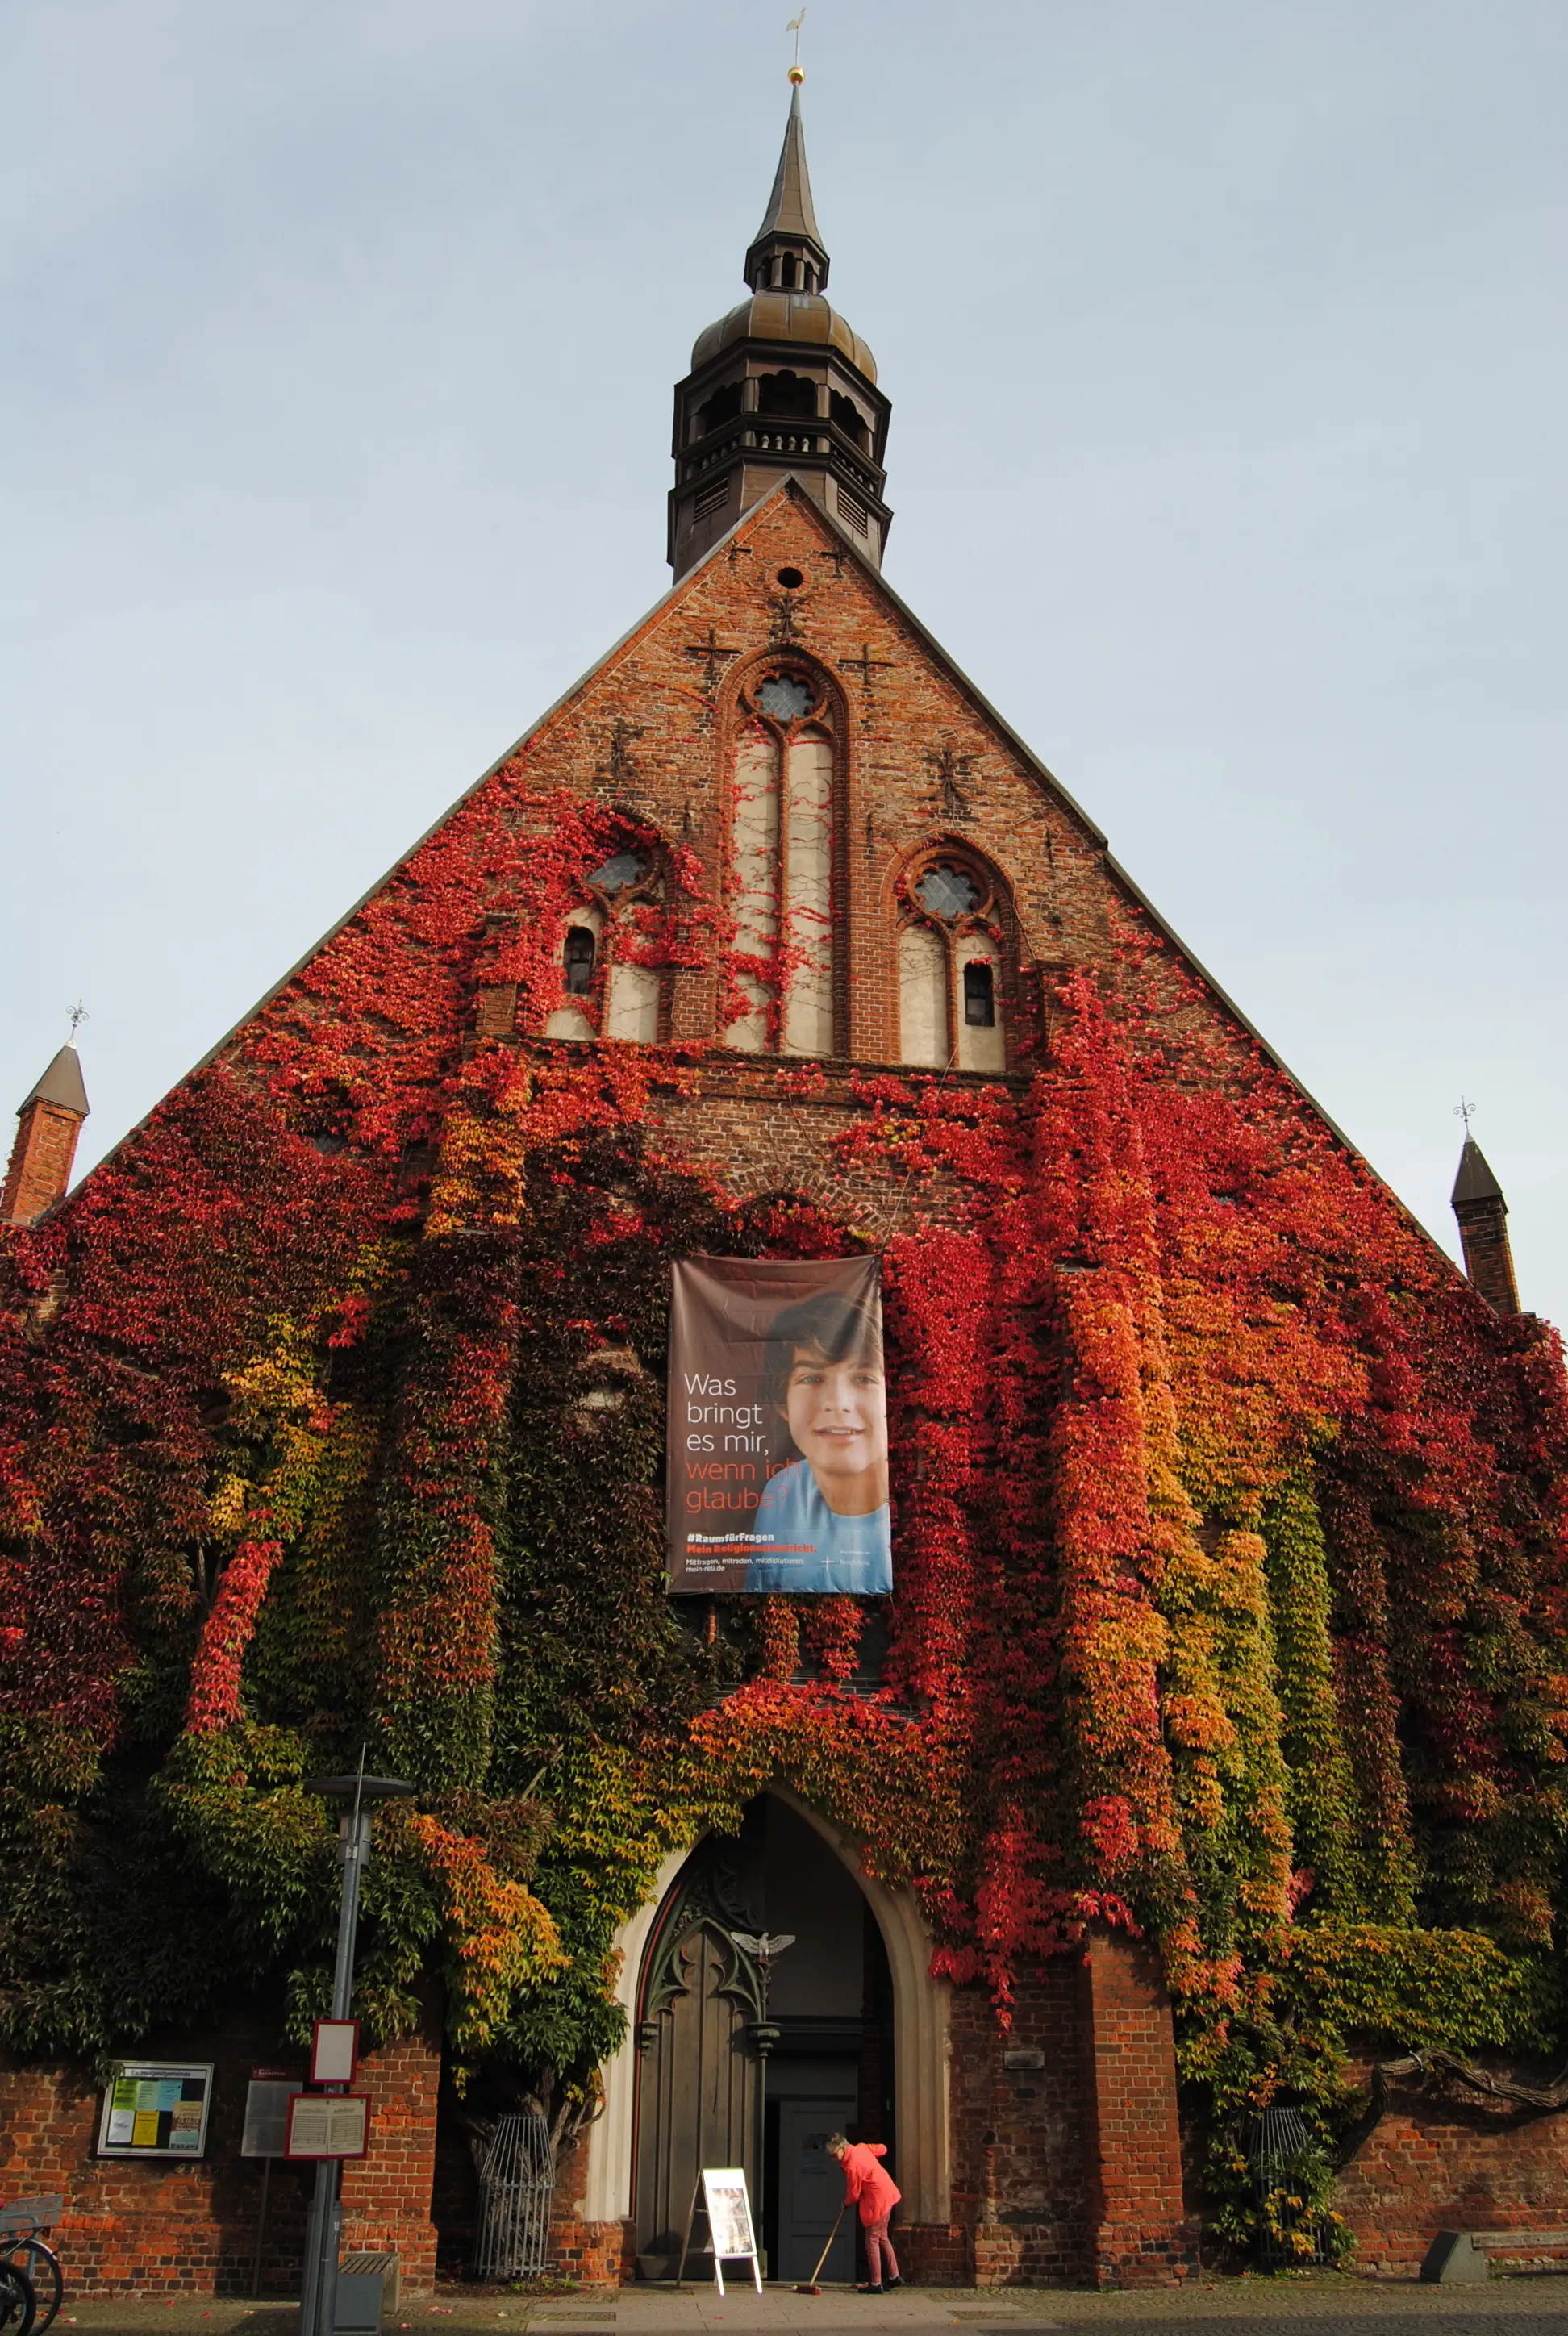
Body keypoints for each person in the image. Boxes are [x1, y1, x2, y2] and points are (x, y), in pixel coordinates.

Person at [744, 1291, 892, 1595]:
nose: (838, 1404)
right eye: (811, 1379)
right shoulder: (781, 1491)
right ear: (782, 1404)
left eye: (864, 1379)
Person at [825, 2133, 901, 2292]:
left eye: (834, 2155)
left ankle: (876, 2283)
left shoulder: (852, 2165)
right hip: (887, 2192)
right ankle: (894, 2276)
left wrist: (845, 2204)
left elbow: (854, 2194)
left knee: (872, 2240)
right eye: (831, 2156)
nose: (834, 2159)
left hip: (877, 2199)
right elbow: (883, 2149)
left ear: (842, 2148)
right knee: (882, 2236)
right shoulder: (862, 2148)